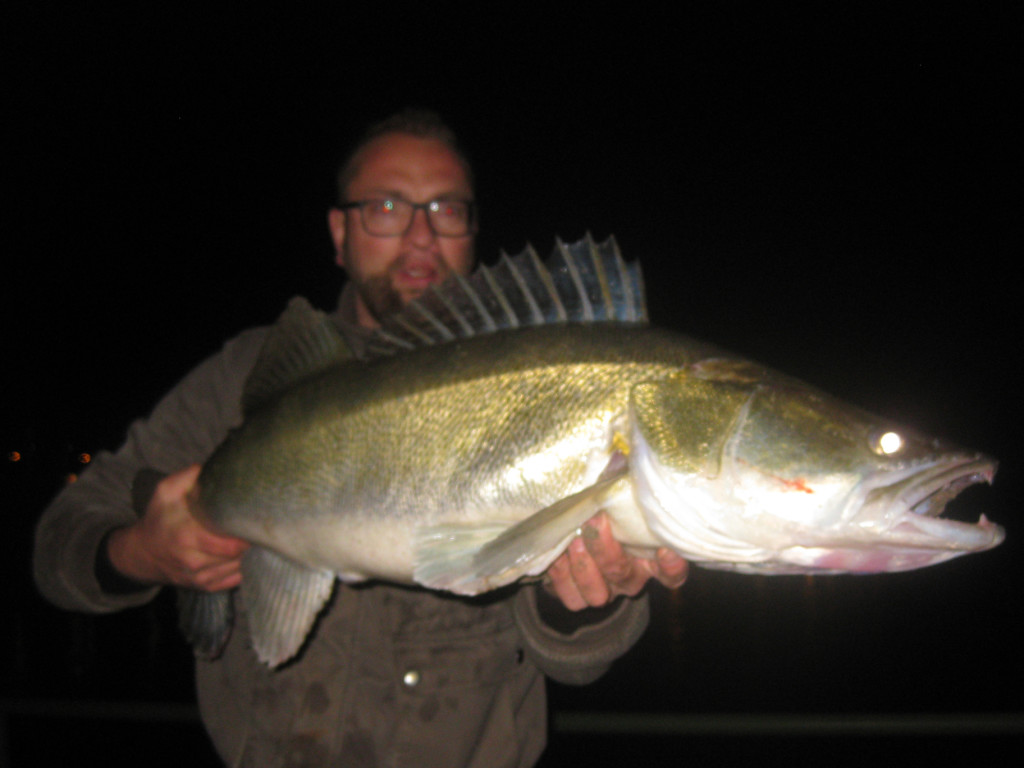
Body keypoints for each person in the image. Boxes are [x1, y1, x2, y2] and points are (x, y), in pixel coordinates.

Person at [33, 109, 688, 767]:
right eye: (386, 207)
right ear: (339, 232)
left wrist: (582, 605)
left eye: (447, 210)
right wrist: (144, 552)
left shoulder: (556, 380)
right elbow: (59, 548)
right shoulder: (243, 377)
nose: (422, 236)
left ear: (474, 230)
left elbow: (573, 665)